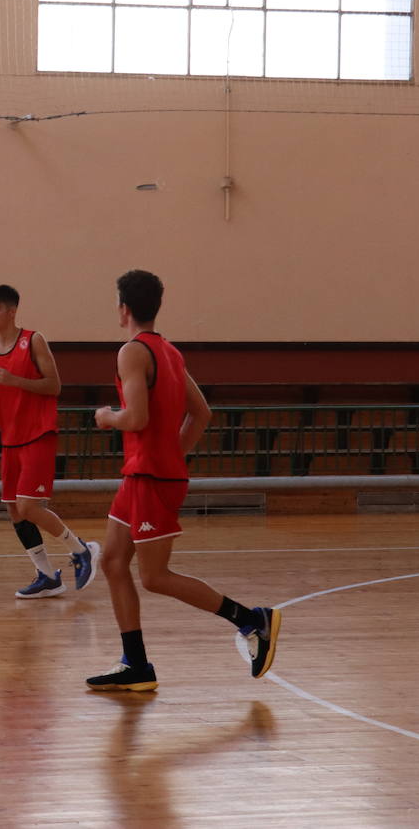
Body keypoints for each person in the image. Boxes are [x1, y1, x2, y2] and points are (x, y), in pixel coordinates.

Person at [85, 270, 280, 692]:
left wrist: (106, 417)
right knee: (113, 561)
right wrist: (172, 452)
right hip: (144, 473)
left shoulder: (132, 352)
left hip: (151, 476)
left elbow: (135, 417)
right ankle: (134, 663)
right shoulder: (169, 352)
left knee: (155, 577)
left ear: (124, 308)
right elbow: (202, 412)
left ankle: (251, 619)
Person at [0, 285, 100, 598]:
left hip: (38, 433)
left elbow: (54, 386)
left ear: (12, 311)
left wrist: (16, 381)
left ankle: (81, 550)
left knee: (27, 506)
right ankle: (45, 576)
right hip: (10, 439)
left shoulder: (33, 340)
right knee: (14, 510)